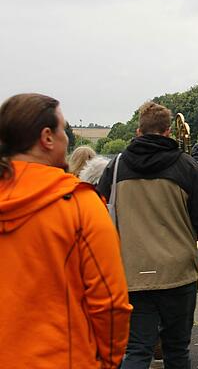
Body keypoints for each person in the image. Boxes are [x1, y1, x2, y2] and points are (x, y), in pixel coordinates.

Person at [0, 93, 132, 368]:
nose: (67, 139)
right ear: (47, 138)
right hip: (63, 357)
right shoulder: (79, 205)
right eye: (63, 130)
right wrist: (108, 360)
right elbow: (110, 302)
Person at [97, 101, 198, 369]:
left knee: (137, 349)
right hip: (177, 271)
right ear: (168, 133)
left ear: (139, 131)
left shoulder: (115, 167)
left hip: (131, 270)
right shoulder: (187, 167)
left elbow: (99, 211)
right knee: (176, 350)